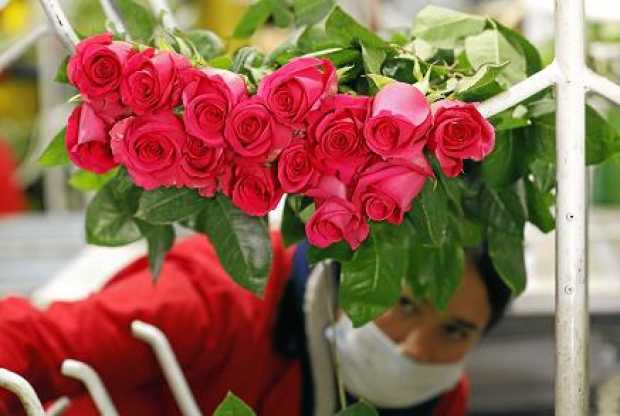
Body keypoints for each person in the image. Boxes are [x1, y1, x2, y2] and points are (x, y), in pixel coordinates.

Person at [0, 231, 511, 415]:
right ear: (351, 272)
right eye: (404, 306)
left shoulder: (436, 395)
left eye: (456, 331)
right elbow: (29, 341)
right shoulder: (218, 296)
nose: (415, 350)